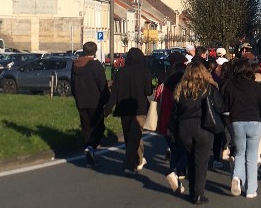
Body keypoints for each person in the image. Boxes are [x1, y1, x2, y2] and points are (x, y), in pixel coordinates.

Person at [169, 62, 224, 205]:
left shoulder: (180, 89)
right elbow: (220, 106)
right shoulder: (208, 88)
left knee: (190, 159)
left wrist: (173, 132)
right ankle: (198, 193)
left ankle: (192, 190)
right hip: (203, 126)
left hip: (184, 127)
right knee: (201, 161)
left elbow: (174, 114)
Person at [223, 59, 261, 198]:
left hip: (236, 121)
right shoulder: (256, 86)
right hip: (254, 121)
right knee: (252, 156)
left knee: (239, 153)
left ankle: (237, 177)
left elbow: (225, 107)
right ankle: (251, 190)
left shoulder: (229, 86)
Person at [104, 47, 153, 175]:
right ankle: (130, 164)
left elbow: (114, 94)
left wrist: (107, 110)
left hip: (124, 109)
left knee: (129, 137)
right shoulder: (145, 72)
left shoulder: (121, 73)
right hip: (139, 108)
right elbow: (148, 91)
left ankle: (136, 160)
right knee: (135, 136)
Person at [70, 41, 109, 168]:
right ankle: (91, 148)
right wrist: (106, 100)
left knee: (86, 127)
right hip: (95, 102)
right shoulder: (95, 65)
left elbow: (73, 84)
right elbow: (102, 85)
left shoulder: (75, 65)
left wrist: (76, 98)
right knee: (99, 127)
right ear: (94, 51)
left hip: (81, 101)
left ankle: (88, 150)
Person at [162, 51, 189, 195]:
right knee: (187, 150)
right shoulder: (183, 87)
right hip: (183, 122)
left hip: (168, 122)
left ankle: (176, 179)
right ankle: (177, 172)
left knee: (174, 151)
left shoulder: (166, 84)